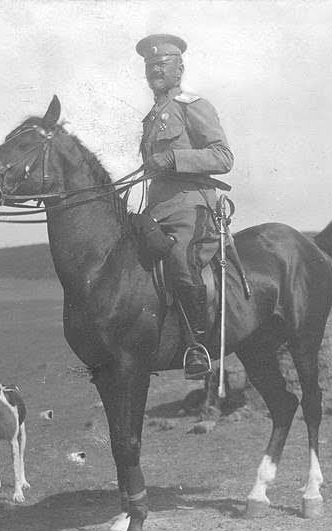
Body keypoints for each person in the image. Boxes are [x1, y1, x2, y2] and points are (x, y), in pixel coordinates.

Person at [136, 33, 234, 380]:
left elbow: (223, 157)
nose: (155, 70)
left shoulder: (193, 105)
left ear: (179, 68)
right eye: (150, 65)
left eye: (161, 64)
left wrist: (174, 158)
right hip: (156, 209)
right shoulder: (152, 117)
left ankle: (198, 346)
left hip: (191, 206)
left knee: (179, 259)